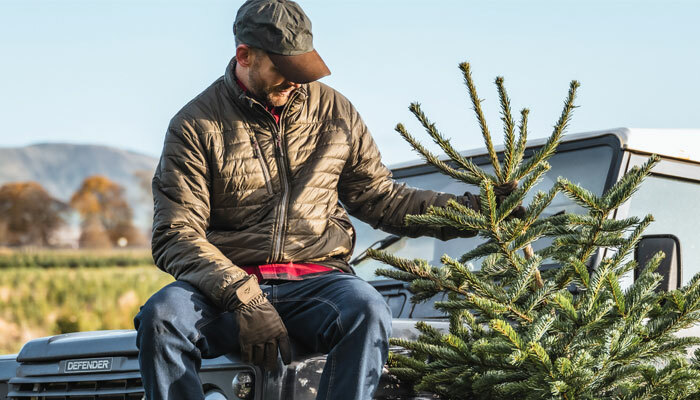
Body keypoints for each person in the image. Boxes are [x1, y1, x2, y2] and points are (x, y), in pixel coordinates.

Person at [134, 1, 511, 399]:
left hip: (317, 283)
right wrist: (242, 295)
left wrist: (475, 212)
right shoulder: (195, 125)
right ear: (244, 55)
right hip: (226, 288)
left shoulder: (335, 112)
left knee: (367, 310)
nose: (296, 82)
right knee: (162, 318)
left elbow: (382, 197)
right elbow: (175, 234)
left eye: (303, 70)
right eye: (284, 70)